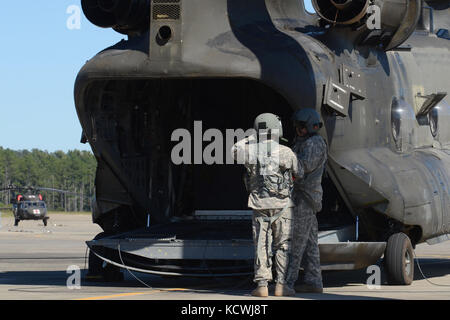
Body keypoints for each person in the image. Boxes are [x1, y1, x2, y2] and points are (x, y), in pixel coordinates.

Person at [231, 113, 298, 297]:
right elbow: (298, 173)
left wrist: (252, 137)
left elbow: (234, 151)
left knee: (261, 244)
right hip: (282, 206)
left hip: (260, 206)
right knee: (283, 245)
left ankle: (262, 285)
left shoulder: (251, 151)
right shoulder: (286, 152)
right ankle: (281, 285)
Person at [286, 108, 327, 294]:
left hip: (305, 198)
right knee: (310, 243)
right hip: (304, 197)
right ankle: (313, 281)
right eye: (297, 126)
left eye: (301, 126)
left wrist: (283, 161)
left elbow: (302, 169)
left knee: (296, 242)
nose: (298, 130)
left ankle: (287, 283)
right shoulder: (303, 142)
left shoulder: (314, 143)